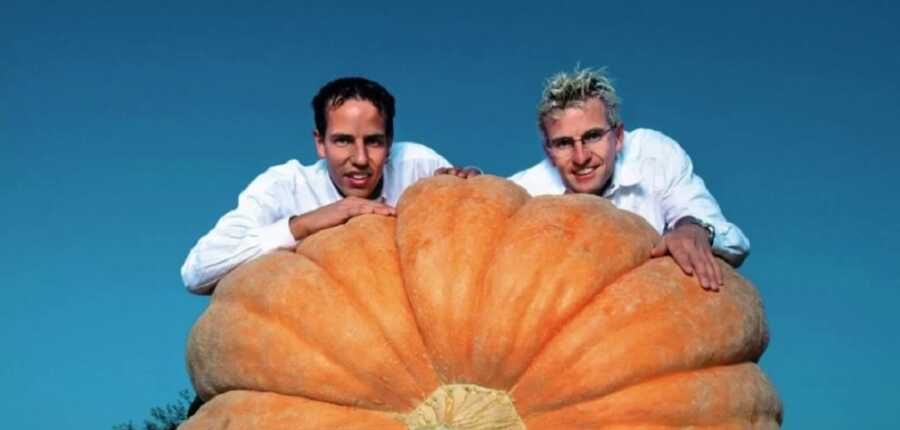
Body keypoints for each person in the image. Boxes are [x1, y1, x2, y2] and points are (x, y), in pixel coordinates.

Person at [181, 77, 463, 295]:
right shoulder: (284, 186)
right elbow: (197, 272)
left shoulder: (419, 166)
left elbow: (476, 252)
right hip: (325, 344)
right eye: (343, 141)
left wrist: (473, 189)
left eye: (373, 141)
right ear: (320, 143)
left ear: (389, 143)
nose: (361, 159)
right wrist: (304, 225)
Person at [510, 68, 749, 291]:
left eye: (593, 136)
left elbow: (735, 244)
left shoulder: (654, 156)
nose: (581, 157)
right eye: (564, 143)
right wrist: (473, 187)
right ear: (549, 152)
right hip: (561, 321)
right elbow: (484, 226)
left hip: (652, 314)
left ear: (618, 137)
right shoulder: (525, 193)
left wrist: (696, 228)